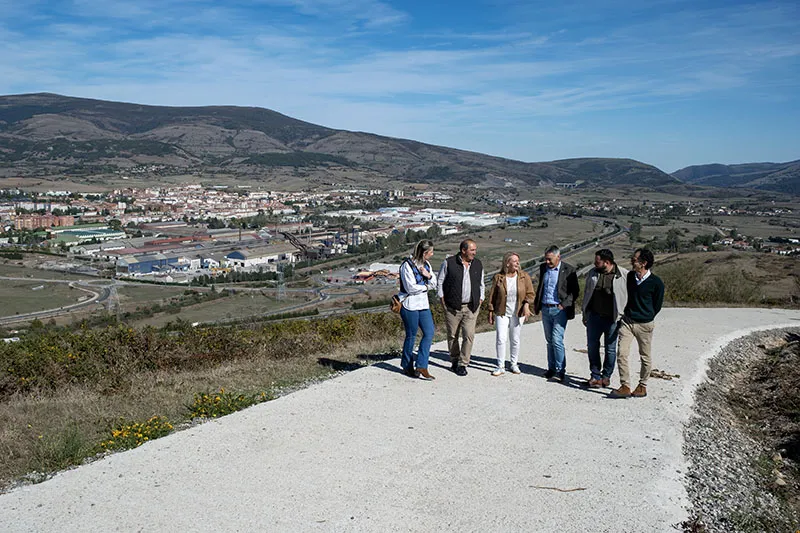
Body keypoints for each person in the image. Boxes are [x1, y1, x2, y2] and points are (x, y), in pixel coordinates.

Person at [610, 248, 665, 399]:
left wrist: (647, 315)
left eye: (634, 260)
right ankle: (625, 385)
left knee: (645, 356)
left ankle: (642, 385)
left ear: (643, 263)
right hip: (628, 321)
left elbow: (657, 305)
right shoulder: (630, 277)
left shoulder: (656, 283)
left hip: (645, 324)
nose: (631, 262)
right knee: (621, 353)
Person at [581, 249, 629, 388]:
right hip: (594, 317)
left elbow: (628, 296)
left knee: (610, 349)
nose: (595, 264)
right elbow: (587, 293)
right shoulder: (593, 273)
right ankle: (595, 376)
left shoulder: (623, 275)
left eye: (597, 262)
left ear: (607, 262)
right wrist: (586, 314)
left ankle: (606, 376)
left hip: (613, 319)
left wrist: (623, 316)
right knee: (592, 347)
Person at [437, 239, 484, 376]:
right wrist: (442, 300)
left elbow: (481, 283)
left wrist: (481, 298)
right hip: (452, 307)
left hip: (471, 307)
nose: (475, 253)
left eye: (475, 250)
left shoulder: (478, 264)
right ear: (463, 250)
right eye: (472, 250)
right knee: (452, 335)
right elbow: (440, 281)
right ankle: (454, 360)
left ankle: (463, 363)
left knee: (469, 335)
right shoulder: (449, 263)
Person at [533, 245, 580, 383]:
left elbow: (574, 292)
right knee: (549, 340)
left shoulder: (569, 270)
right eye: (546, 259)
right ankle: (551, 368)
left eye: (550, 259)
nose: (547, 262)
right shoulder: (543, 268)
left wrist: (563, 305)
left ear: (558, 257)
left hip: (559, 310)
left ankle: (560, 371)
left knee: (557, 339)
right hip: (545, 308)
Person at [487, 252, 535, 376]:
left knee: (515, 339)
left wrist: (526, 304)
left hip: (518, 312)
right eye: (514, 261)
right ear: (507, 263)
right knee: (501, 338)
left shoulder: (524, 277)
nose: (517, 263)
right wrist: (490, 311)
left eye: (518, 261)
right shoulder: (498, 277)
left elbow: (530, 294)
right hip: (502, 312)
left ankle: (514, 364)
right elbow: (492, 296)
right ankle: (500, 366)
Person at [398, 239, 438, 380]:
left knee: (429, 332)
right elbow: (411, 288)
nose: (432, 255)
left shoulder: (426, 265)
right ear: (424, 252)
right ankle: (407, 365)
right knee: (411, 335)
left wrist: (429, 276)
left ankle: (422, 365)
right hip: (409, 304)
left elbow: (434, 283)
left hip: (423, 304)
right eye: (430, 252)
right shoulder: (406, 266)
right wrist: (426, 287)